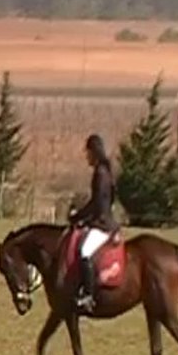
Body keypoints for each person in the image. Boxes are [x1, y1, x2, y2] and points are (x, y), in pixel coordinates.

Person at [68, 133, 120, 312]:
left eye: (87, 153)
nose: (86, 156)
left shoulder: (100, 173)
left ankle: (88, 296)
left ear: (94, 152)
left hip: (103, 224)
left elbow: (97, 203)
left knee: (85, 251)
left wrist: (79, 217)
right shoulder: (104, 172)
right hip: (101, 219)